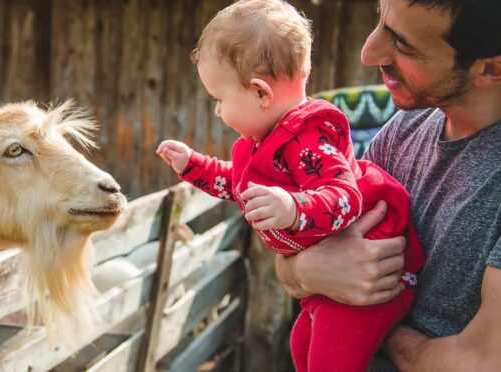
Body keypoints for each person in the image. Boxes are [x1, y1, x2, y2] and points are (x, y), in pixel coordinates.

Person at [155, 1, 424, 370]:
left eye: (219, 99)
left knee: (327, 363)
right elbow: (236, 183)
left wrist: (294, 208)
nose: (217, 111)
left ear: (261, 93)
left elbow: (345, 196)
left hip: (371, 282)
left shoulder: (308, 138)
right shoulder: (265, 143)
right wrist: (193, 165)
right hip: (329, 282)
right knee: (300, 347)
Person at [273, 0, 501, 370]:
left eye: (404, 44)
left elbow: (480, 360)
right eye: (379, 17)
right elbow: (298, 258)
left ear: (491, 68)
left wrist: (369, 319)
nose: (368, 53)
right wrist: (304, 271)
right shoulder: (404, 129)